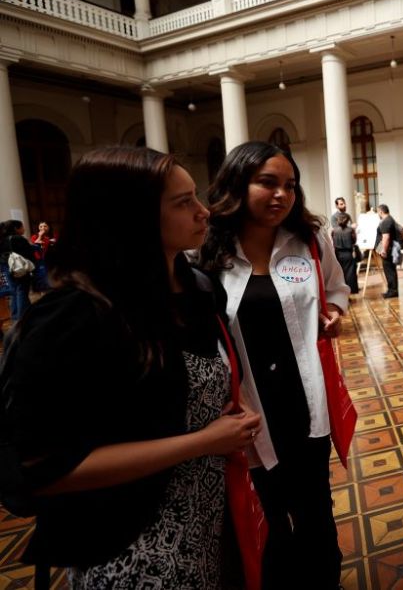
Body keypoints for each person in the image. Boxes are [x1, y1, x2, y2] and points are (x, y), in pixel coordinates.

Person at [2, 147, 261, 587]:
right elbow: (42, 469)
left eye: (196, 197)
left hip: (208, 523)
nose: (204, 213)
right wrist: (200, 442)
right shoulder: (75, 318)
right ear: (131, 216)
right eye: (183, 203)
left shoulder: (195, 290)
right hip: (128, 547)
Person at [199, 141, 350, 589]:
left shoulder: (307, 240)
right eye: (267, 182)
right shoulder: (207, 253)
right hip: (248, 416)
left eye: (290, 184)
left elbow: (337, 290)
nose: (281, 194)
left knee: (317, 519)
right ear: (237, 184)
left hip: (305, 407)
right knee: (268, 526)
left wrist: (333, 315)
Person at [0, 220, 36, 322]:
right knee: (22, 291)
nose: (24, 229)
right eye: (22, 227)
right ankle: (22, 318)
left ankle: (15, 316)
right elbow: (29, 254)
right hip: (19, 268)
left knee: (14, 292)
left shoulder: (3, 239)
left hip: (7, 267)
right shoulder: (18, 239)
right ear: (16, 228)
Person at [375, 203, 399, 299]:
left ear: (381, 211)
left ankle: (392, 291)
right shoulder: (389, 219)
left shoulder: (386, 221)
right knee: (390, 270)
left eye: (378, 212)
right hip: (387, 249)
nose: (378, 214)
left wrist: (383, 250)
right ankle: (392, 290)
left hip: (387, 250)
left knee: (389, 270)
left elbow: (386, 237)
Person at [332, 212, 359, 294]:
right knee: (350, 273)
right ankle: (351, 290)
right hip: (348, 254)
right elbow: (354, 241)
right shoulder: (351, 230)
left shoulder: (334, 231)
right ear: (347, 220)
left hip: (338, 254)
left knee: (341, 273)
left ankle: (342, 290)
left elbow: (333, 242)